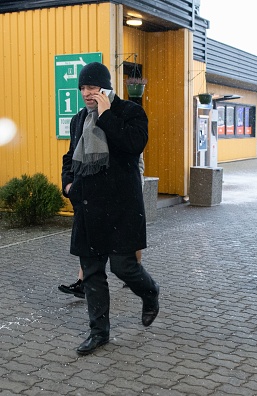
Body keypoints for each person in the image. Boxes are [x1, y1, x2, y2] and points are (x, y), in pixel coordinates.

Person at [61, 62, 159, 355]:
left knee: (123, 266)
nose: (88, 93)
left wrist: (106, 116)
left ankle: (150, 292)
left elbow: (133, 144)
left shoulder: (130, 112)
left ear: (106, 88)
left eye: (94, 88)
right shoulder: (78, 119)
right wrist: (68, 185)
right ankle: (99, 332)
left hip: (121, 208)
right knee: (91, 272)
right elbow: (70, 156)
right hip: (88, 206)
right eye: (84, 88)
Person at [58, 154, 145, 297]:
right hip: (99, 194)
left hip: (127, 190)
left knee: (129, 237)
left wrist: (133, 189)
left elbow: (136, 159)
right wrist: (69, 185)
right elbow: (71, 156)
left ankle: (136, 272)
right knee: (90, 245)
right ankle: (83, 282)